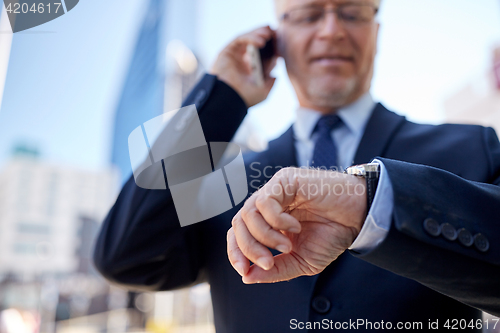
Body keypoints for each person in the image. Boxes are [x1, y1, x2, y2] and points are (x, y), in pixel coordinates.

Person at [94, 0, 500, 331]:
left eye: (352, 12)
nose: (330, 30)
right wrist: (221, 99)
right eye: (308, 15)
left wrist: (370, 203)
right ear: (277, 38)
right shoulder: (226, 180)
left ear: (376, 31)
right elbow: (125, 255)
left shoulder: (471, 147)